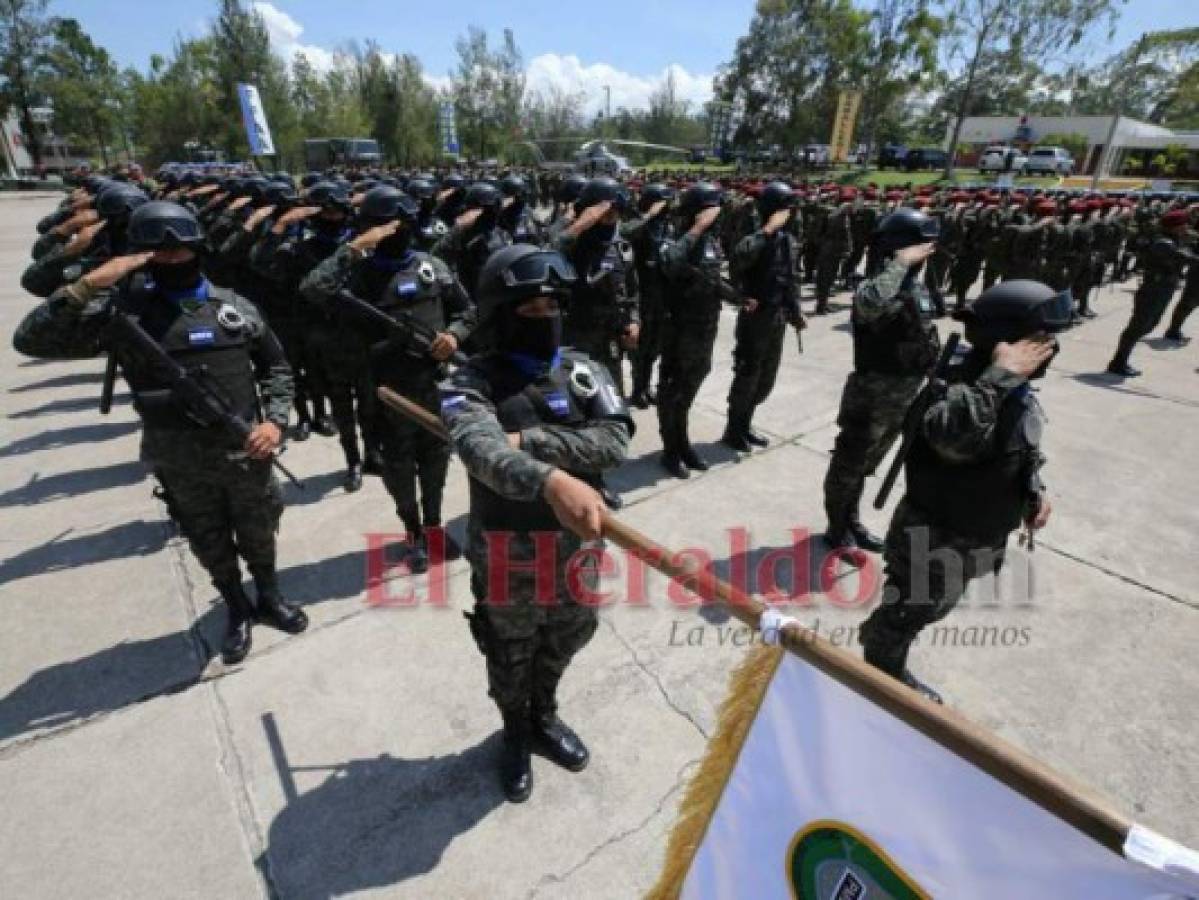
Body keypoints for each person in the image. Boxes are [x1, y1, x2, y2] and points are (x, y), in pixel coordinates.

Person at [12, 201, 306, 664]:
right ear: (140, 255)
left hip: (245, 450)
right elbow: (31, 339)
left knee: (259, 529)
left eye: (180, 251)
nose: (171, 260)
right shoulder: (123, 316)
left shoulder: (234, 306)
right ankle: (236, 607)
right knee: (208, 538)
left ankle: (269, 596)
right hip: (179, 458)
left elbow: (277, 367)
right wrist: (88, 285)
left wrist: (276, 420)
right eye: (158, 253)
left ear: (197, 249)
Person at [439, 244, 632, 802]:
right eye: (531, 308)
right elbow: (481, 451)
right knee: (509, 648)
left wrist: (534, 442)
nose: (547, 316)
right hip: (509, 552)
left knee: (570, 633)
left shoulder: (583, 370)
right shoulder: (466, 382)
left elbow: (615, 440)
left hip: (576, 549)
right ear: (501, 311)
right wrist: (553, 480)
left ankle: (544, 713)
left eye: (555, 305)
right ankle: (515, 730)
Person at [858, 280, 1070, 702]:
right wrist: (998, 377)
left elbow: (1018, 446)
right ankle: (878, 673)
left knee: (933, 606)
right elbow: (950, 436)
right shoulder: (965, 388)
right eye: (1039, 339)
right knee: (910, 612)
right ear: (1005, 342)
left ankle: (884, 648)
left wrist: (1033, 490)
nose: (1048, 349)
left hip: (972, 534)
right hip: (934, 540)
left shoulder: (1009, 389)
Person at [822, 208, 941, 553]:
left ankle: (852, 520)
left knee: (867, 467)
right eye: (921, 248)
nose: (925, 256)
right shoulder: (875, 285)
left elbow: (922, 333)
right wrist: (900, 263)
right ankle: (836, 527)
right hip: (872, 395)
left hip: (904, 395)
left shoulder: (915, 288)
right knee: (849, 465)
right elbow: (869, 305)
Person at [723, 180, 803, 453]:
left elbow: (790, 278)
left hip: (777, 316)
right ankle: (734, 429)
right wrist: (768, 230)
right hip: (755, 318)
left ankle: (746, 423)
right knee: (747, 375)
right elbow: (738, 257)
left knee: (766, 378)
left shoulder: (788, 239)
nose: (791, 214)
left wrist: (796, 311)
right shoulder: (755, 234)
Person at [657, 181, 725, 478]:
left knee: (689, 389)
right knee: (672, 390)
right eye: (710, 210)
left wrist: (738, 297)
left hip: (704, 329)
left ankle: (682, 442)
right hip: (679, 329)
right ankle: (671, 449)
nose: (716, 215)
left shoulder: (711, 241)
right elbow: (669, 263)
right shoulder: (674, 237)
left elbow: (710, 278)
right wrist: (696, 229)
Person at [1107, 208, 1199, 376]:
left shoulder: (1174, 239)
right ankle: (1118, 362)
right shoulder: (1163, 243)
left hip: (1163, 289)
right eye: (1184, 224)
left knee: (1150, 325)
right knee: (1137, 327)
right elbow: (1187, 258)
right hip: (1153, 289)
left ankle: (1121, 360)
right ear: (1175, 226)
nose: (1187, 227)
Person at [623, 182, 675, 409]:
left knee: (654, 347)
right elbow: (625, 233)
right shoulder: (638, 224)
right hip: (641, 295)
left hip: (661, 297)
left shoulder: (667, 228)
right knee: (640, 349)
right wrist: (647, 215)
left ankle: (645, 387)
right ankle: (637, 390)